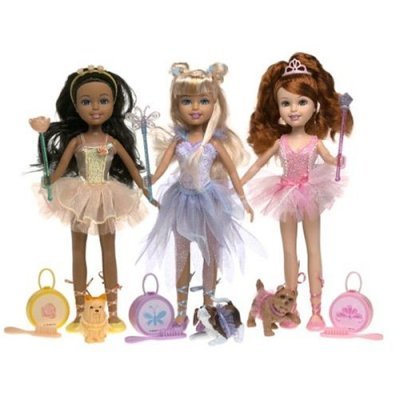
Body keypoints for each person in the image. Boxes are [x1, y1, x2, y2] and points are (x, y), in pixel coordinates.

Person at [30, 65, 156, 333]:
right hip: (80, 196)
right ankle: (79, 313)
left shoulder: (112, 141)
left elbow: (133, 170)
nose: (95, 107)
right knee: (78, 250)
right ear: (76, 106)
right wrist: (49, 181)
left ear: (113, 104)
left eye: (103, 101)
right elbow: (60, 170)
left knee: (109, 251)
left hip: (108, 197)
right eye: (86, 102)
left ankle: (113, 312)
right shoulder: (77, 141)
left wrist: (146, 191)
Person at [138, 62, 258, 330]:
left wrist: (244, 200)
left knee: (210, 255)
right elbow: (159, 171)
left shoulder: (214, 143)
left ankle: (207, 309)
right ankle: (181, 311)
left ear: (215, 104)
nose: (195, 108)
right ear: (176, 105)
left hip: (210, 202)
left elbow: (233, 172)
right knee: (181, 255)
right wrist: (145, 183)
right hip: (181, 201)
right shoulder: (178, 142)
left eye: (203, 101)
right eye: (187, 101)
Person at [241, 53, 353, 331]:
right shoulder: (281, 141)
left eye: (302, 102)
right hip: (285, 195)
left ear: (315, 106)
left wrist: (338, 161)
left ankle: (316, 309)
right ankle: (289, 308)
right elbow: (258, 163)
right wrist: (239, 181)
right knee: (289, 251)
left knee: (314, 249)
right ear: (278, 108)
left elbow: (330, 160)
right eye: (285, 103)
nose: (293, 109)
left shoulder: (315, 141)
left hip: (310, 193)